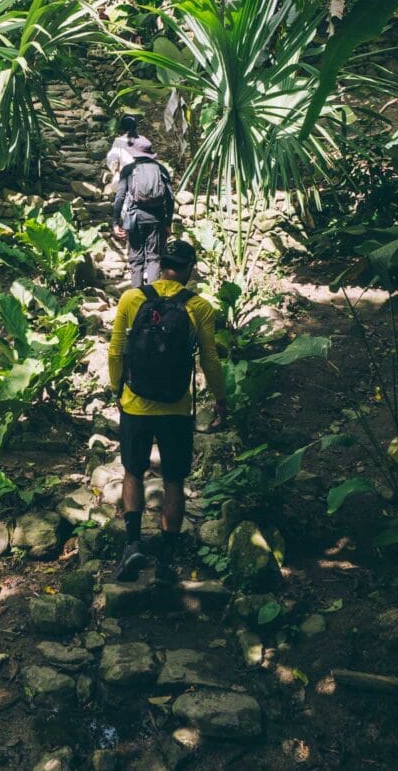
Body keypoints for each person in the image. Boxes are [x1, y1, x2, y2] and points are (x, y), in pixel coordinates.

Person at [107, 239, 228, 583]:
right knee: (174, 479)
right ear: (189, 270)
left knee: (133, 471)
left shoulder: (132, 298)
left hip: (135, 404)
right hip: (176, 408)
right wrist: (220, 398)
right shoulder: (199, 307)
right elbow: (209, 359)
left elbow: (116, 351)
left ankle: (132, 546)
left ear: (160, 265)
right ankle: (167, 560)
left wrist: (118, 389)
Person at [112, 141, 174, 288]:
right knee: (154, 259)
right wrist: (168, 223)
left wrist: (115, 222)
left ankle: (137, 297)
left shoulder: (128, 169)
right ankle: (152, 298)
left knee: (136, 259)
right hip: (157, 220)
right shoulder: (161, 169)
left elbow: (120, 197)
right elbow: (170, 199)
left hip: (134, 219)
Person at [106, 114, 154, 179]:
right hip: (147, 176)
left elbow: (113, 160)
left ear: (122, 128)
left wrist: (114, 172)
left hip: (128, 176)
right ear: (135, 126)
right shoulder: (144, 140)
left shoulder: (118, 141)